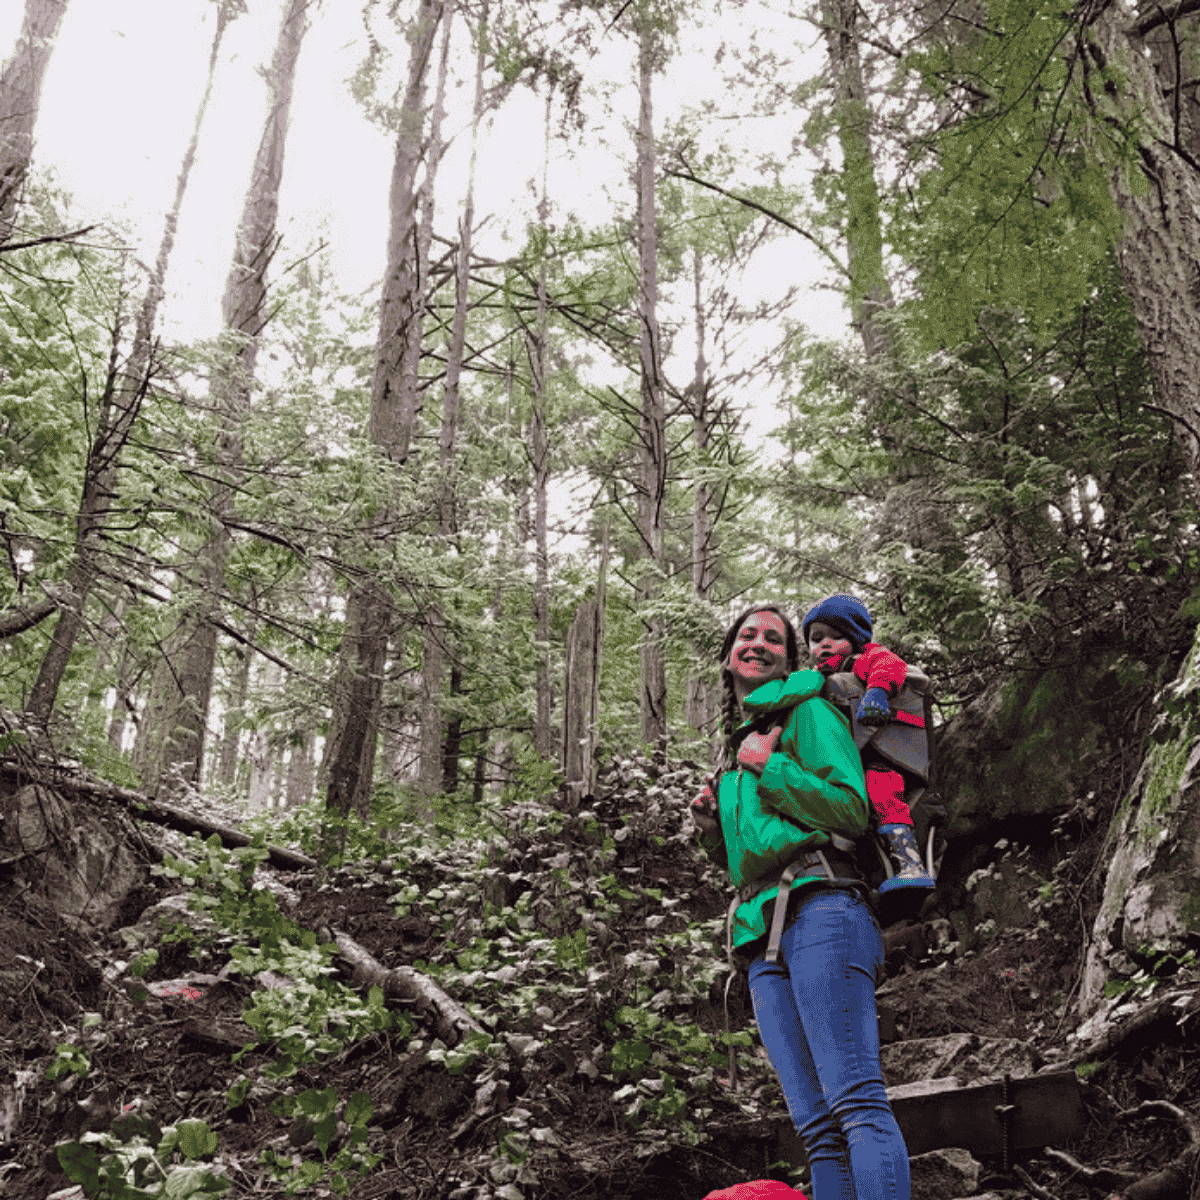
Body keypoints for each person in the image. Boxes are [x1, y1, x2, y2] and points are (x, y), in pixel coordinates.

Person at [692, 604, 910, 1200]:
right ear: (728, 657)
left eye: (772, 638)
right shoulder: (735, 748)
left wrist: (770, 769)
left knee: (857, 1104)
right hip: (760, 937)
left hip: (824, 909)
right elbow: (757, 851)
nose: (757, 644)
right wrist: (715, 828)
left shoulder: (808, 712)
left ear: (790, 659)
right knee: (816, 1130)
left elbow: (849, 809)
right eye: (746, 635)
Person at [802, 594, 936, 894]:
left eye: (837, 637)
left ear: (856, 639)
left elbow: (889, 665)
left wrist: (877, 691)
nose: (824, 644)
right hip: (847, 768)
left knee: (884, 795)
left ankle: (909, 861)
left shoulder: (862, 660)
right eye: (816, 638)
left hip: (881, 756)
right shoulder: (814, 680)